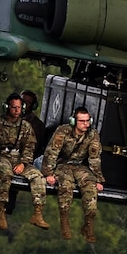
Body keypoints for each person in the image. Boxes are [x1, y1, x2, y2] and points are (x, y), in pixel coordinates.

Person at [42, 104, 105, 244]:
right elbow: (51, 153)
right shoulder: (63, 131)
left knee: (90, 188)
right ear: (74, 121)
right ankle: (64, 221)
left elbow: (94, 158)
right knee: (65, 185)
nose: (86, 124)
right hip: (63, 164)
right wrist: (48, 173)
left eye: (87, 121)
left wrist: (98, 179)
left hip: (80, 167)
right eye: (82, 121)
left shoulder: (92, 135)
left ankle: (88, 225)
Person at [0, 95, 47, 232]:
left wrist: (23, 163)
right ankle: (1, 212)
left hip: (19, 159)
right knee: (5, 175)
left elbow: (30, 147)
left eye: (19, 107)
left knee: (37, 177)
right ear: (7, 107)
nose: (16, 110)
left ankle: (38, 214)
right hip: (2, 156)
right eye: (13, 107)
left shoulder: (26, 126)